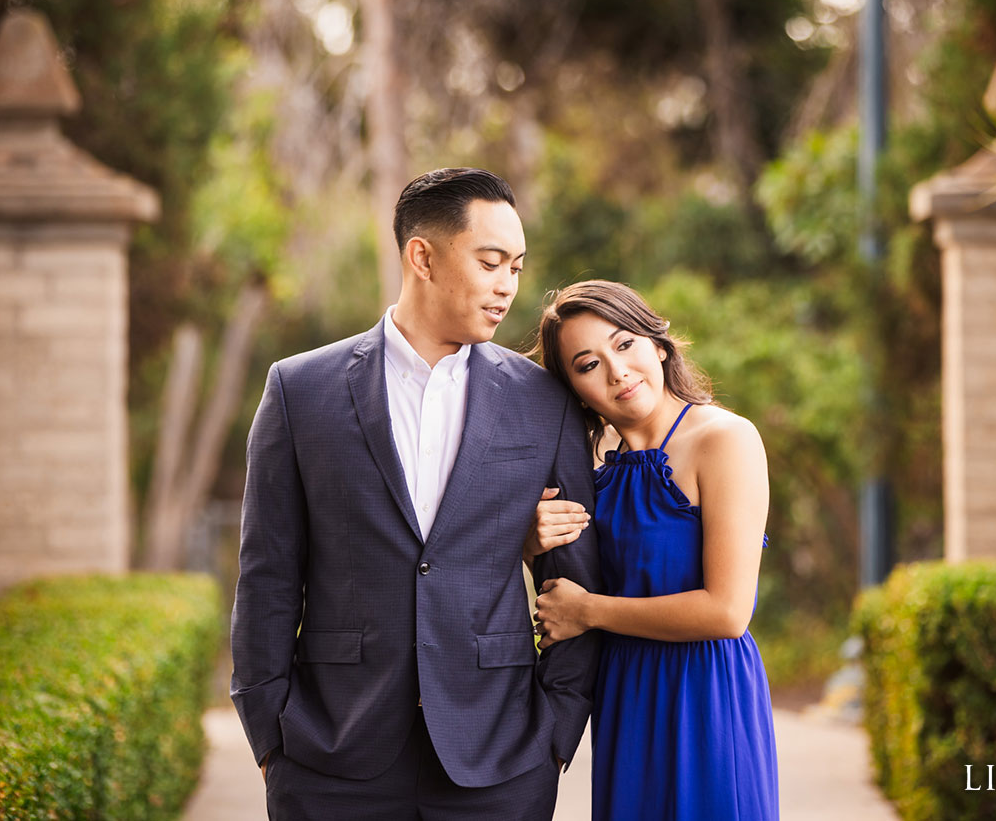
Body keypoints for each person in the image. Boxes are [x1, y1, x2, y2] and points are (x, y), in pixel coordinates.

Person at [230, 167, 603, 819]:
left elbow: (572, 584)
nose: (507, 286)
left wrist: (554, 736)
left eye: (516, 266)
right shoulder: (300, 390)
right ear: (422, 256)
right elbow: (267, 577)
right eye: (491, 262)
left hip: (500, 764)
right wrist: (272, 737)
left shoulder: (545, 402)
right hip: (330, 759)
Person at [524, 279, 779, 820]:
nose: (617, 372)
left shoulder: (725, 440)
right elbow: (567, 574)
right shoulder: (587, 470)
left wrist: (589, 612)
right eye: (588, 364)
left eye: (624, 344)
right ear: (573, 389)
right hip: (625, 695)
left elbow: (728, 611)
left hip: (705, 694)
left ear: (658, 344)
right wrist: (530, 542)